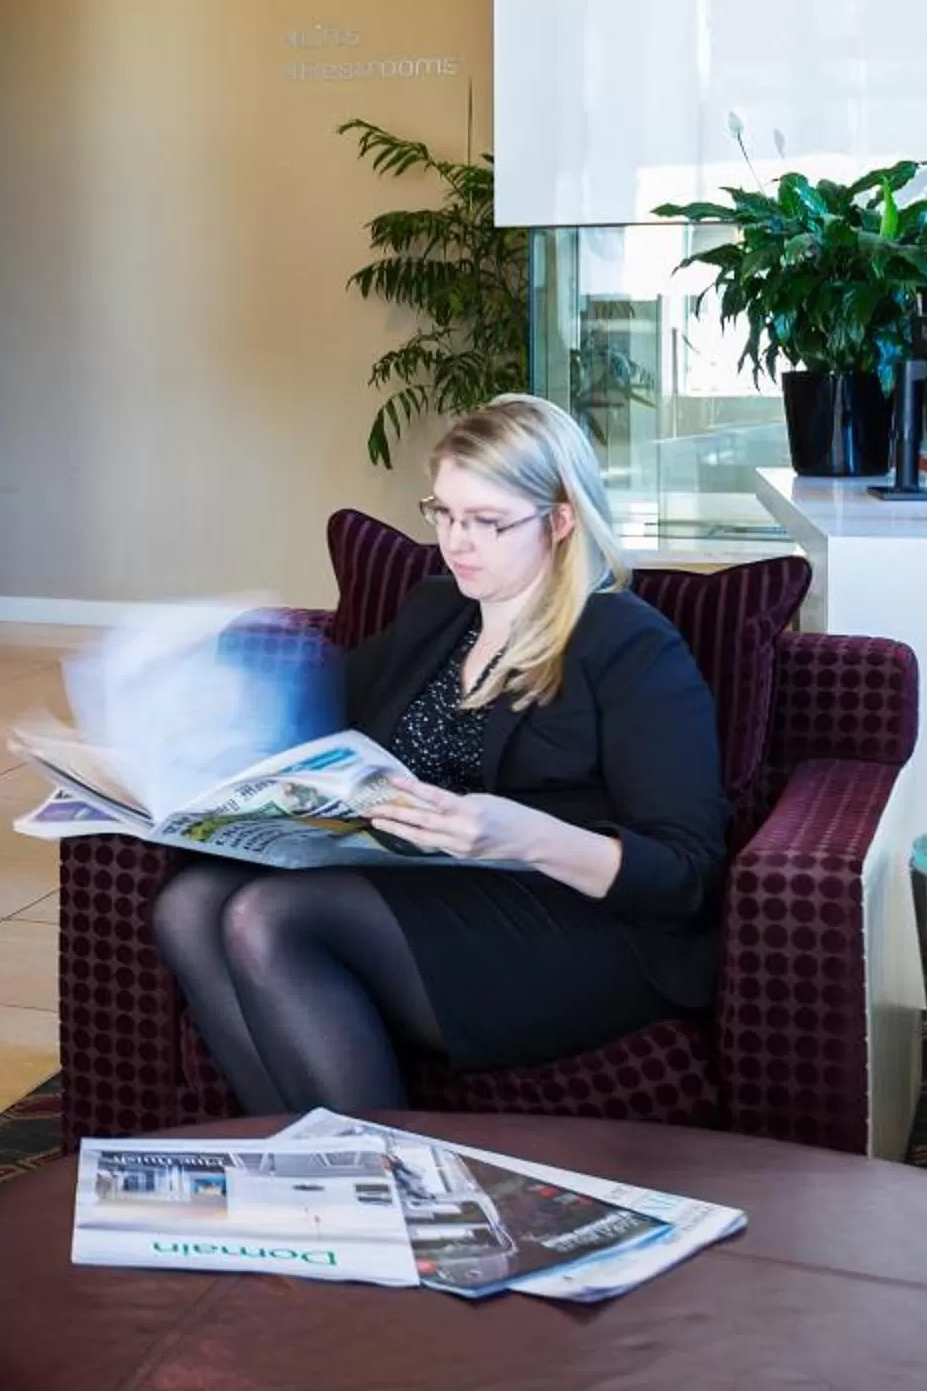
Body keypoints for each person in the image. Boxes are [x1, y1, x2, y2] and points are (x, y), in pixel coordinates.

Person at [149, 394, 726, 1114]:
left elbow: (686, 874)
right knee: (189, 903)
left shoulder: (628, 646)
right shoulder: (439, 612)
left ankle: (388, 1189)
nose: (458, 542)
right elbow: (320, 718)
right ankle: (297, 1166)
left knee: (265, 916)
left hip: (570, 922)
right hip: (427, 888)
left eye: (488, 522)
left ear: (560, 519)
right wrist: (211, 707)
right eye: (444, 513)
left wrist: (522, 835)